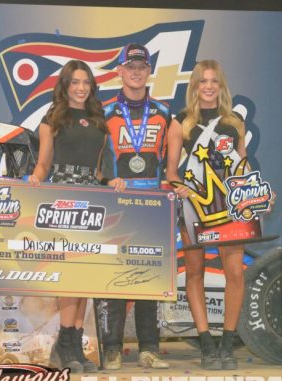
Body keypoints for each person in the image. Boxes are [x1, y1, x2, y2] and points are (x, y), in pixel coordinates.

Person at [28, 60, 125, 374]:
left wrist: (112, 180)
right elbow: (43, 163)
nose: (81, 88)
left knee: (85, 275)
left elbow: (101, 168)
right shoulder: (52, 118)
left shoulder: (99, 121)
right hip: (62, 200)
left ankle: (72, 343)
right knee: (69, 274)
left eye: (86, 82)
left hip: (93, 201)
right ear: (65, 86)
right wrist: (35, 180)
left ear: (91, 86)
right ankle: (65, 343)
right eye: (75, 83)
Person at [165, 60, 246, 370]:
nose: (209, 86)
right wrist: (179, 187)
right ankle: (206, 342)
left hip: (229, 207)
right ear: (195, 86)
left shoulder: (235, 121)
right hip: (194, 206)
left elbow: (242, 167)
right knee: (195, 271)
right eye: (203, 81)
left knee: (235, 271)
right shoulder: (181, 122)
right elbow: (171, 170)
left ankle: (227, 341)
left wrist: (259, 191)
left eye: (214, 81)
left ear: (221, 86)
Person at [99, 42, 171, 370]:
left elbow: (172, 160)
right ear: (120, 72)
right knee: (115, 278)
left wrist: (169, 185)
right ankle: (112, 348)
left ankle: (150, 348)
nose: (137, 72)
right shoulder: (105, 113)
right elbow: (96, 161)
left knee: (149, 278)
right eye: (131, 67)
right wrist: (106, 181)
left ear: (149, 71)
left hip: (153, 204)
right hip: (118, 203)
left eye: (142, 67)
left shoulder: (165, 113)